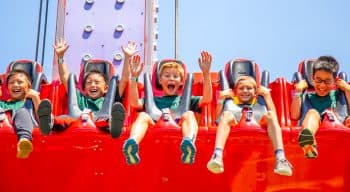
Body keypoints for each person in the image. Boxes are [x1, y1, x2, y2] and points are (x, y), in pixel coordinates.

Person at [122, 51, 212, 165]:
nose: (171, 79)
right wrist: (134, 77)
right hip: (156, 125)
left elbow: (207, 99)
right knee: (143, 115)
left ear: (181, 82)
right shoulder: (153, 100)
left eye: (175, 76)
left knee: (189, 114)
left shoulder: (185, 99)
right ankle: (132, 143)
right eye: (167, 75)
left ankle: (188, 144)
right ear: (160, 81)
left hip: (179, 125)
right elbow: (134, 103)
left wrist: (206, 73)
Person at [37, 38, 137, 138]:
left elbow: (124, 79)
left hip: (100, 121)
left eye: (97, 82)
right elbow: (64, 77)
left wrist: (127, 57)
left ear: (106, 88)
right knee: (63, 119)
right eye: (89, 83)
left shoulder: (111, 98)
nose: (93, 85)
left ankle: (114, 125)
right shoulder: (79, 98)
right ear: (84, 88)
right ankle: (49, 121)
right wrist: (60, 56)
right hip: (76, 120)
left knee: (107, 120)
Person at [207, 75, 293, 176]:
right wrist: (221, 100)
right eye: (241, 88)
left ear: (255, 91)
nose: (245, 91)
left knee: (271, 115)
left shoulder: (259, 103)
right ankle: (217, 155)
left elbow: (275, 119)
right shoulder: (232, 103)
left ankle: (281, 158)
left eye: (249, 88)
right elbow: (218, 120)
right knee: (226, 115)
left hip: (258, 124)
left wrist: (267, 96)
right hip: (235, 123)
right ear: (235, 91)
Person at [290, 56, 350, 158]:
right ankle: (308, 143)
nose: (322, 86)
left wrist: (348, 90)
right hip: (316, 129)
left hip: (339, 130)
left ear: (335, 81)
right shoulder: (306, 97)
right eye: (318, 80)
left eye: (327, 81)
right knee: (312, 113)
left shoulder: (339, 96)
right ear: (312, 78)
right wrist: (298, 91)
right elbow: (295, 115)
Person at [0, 69, 41, 158]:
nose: (15, 85)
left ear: (28, 87)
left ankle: (24, 141)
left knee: (21, 111)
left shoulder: (30, 102)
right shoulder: (4, 104)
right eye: (11, 83)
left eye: (20, 82)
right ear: (7, 89)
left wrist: (36, 98)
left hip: (25, 130)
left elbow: (43, 122)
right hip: (4, 133)